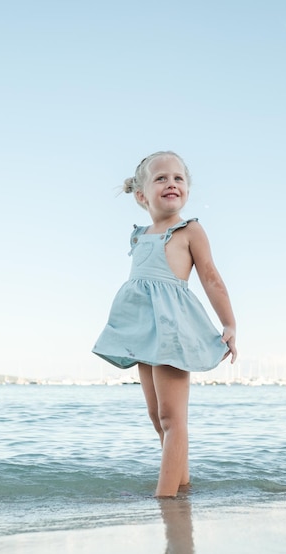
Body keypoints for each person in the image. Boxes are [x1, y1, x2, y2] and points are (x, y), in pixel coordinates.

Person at [92, 150, 237, 497]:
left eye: (178, 178)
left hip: (173, 332)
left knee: (173, 418)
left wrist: (229, 323)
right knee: (157, 416)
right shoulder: (139, 235)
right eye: (161, 178)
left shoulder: (189, 230)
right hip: (144, 333)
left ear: (186, 189)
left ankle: (166, 498)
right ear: (142, 195)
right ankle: (181, 485)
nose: (171, 183)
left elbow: (211, 278)